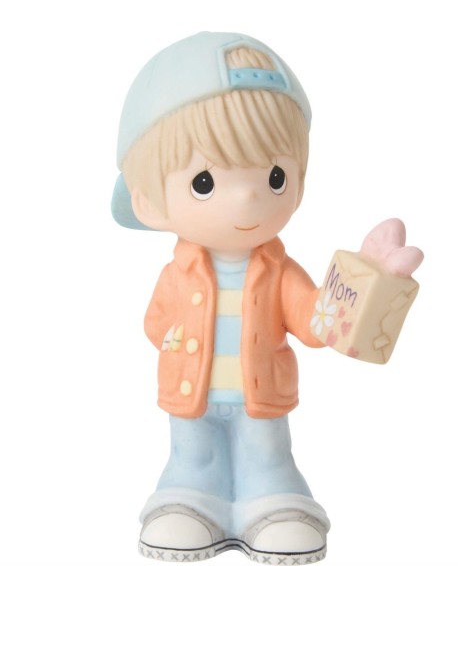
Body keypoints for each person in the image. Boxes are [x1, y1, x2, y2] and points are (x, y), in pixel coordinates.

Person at [112, 32, 422, 565]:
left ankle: (273, 503)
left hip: (262, 401)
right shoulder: (177, 274)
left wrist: (363, 285)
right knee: (191, 455)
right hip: (191, 397)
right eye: (205, 182)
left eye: (274, 177)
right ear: (148, 204)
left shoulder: (279, 274)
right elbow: (154, 326)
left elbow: (317, 324)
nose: (248, 197)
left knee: (268, 456)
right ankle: (189, 499)